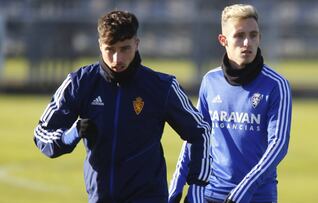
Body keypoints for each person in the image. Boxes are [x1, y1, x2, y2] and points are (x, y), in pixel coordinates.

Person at [33, 10, 211, 203]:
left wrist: (197, 185)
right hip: (100, 198)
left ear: (137, 44)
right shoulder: (80, 83)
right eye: (110, 49)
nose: (117, 59)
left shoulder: (162, 86)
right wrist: (72, 134)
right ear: (100, 45)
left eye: (125, 48)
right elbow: (42, 133)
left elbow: (200, 131)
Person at [168, 4, 292, 203]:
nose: (247, 43)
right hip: (211, 194)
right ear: (223, 40)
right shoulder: (210, 81)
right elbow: (196, 136)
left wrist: (244, 189)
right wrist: (176, 185)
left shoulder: (276, 85)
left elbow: (278, 145)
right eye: (239, 35)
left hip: (256, 197)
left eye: (253, 35)